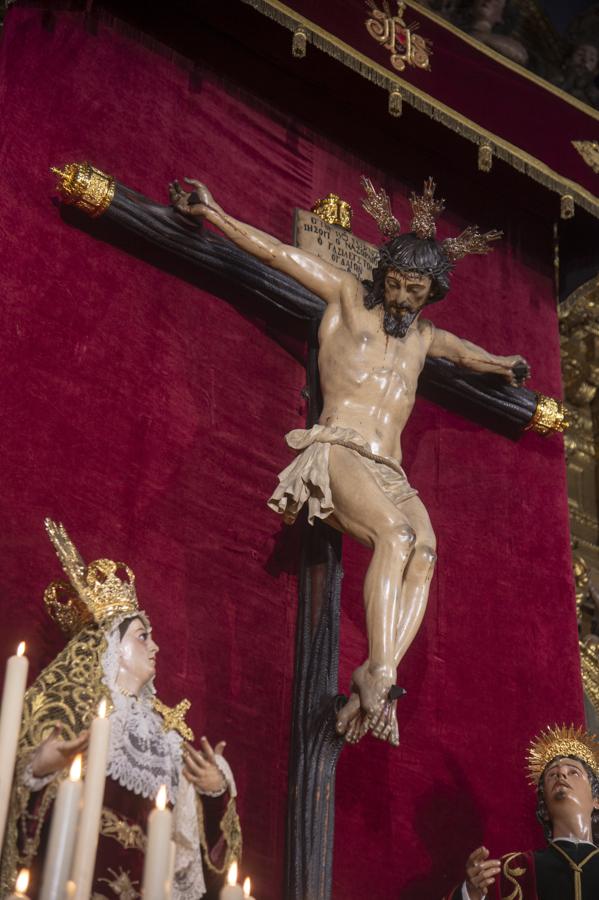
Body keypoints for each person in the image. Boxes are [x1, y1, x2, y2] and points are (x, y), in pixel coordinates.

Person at [169, 175, 530, 747]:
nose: (403, 298)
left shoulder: (424, 336)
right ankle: (382, 671)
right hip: (337, 447)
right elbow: (276, 252)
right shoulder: (343, 297)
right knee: (395, 536)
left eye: (417, 290)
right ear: (383, 273)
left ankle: (377, 673)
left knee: (427, 550)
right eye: (396, 283)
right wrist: (214, 212)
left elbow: (468, 354)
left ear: (432, 290)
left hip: (391, 468)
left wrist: (505, 364)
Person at [0, 519, 241, 899]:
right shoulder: (72, 713)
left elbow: (200, 863)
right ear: (110, 647)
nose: (156, 647)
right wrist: (38, 767)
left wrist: (214, 793)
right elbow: (17, 813)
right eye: (143, 636)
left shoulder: (165, 738)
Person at [446, 725, 599, 899]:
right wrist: (470, 894)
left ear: (597, 800)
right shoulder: (511, 871)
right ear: (544, 809)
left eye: (573, 772)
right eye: (551, 775)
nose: (561, 773)